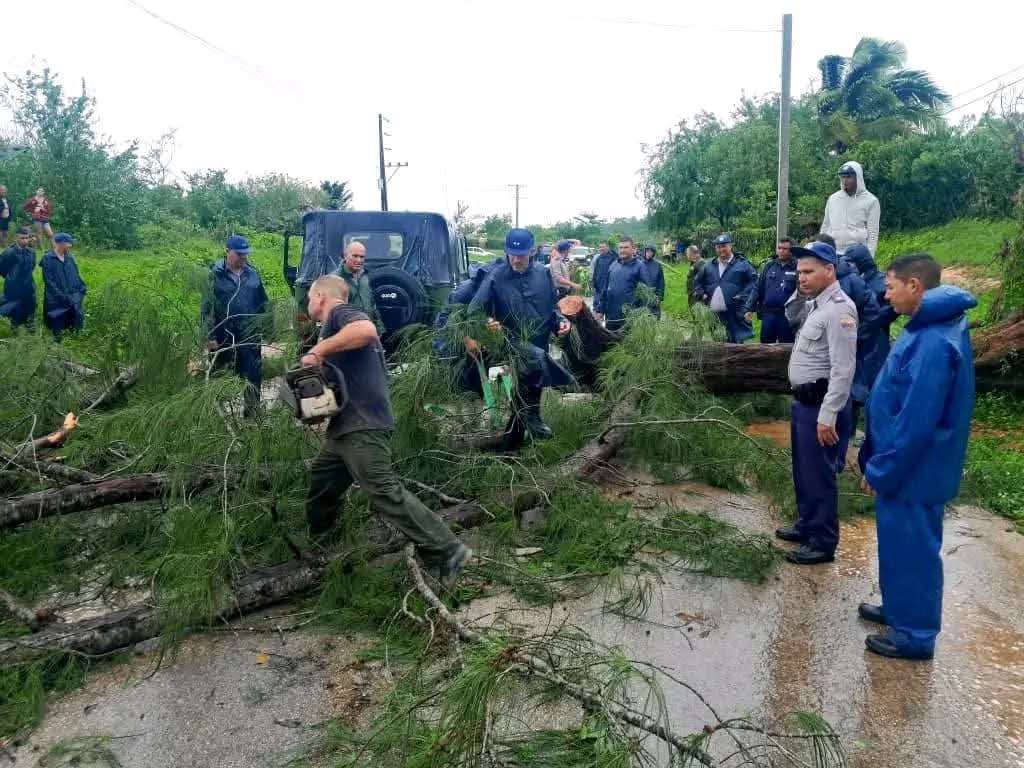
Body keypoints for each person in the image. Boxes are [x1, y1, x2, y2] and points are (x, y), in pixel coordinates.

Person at [301, 275, 471, 583]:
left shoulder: (342, 314)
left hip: (363, 425)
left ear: (322, 297)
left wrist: (319, 351)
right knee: (322, 484)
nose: (308, 303)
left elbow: (366, 330)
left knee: (383, 492)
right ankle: (321, 545)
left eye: (310, 297)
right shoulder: (333, 328)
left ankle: (448, 549)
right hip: (343, 427)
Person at [858, 254, 976, 660]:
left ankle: (915, 634)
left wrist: (881, 467)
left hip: (915, 468)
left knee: (915, 550)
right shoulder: (926, 326)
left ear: (915, 287)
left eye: (890, 286)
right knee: (897, 544)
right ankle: (898, 609)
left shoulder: (935, 342)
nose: (885, 293)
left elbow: (916, 422)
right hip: (908, 467)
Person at [776, 240, 857, 566]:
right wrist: (804, 291)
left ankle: (822, 542)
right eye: (799, 272)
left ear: (830, 270)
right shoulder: (816, 304)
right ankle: (808, 524)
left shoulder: (839, 309)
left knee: (819, 475)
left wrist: (829, 415)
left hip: (821, 406)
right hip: (804, 404)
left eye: (809, 271)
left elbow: (843, 368)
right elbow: (789, 313)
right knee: (803, 471)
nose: (802, 277)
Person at [465, 228, 573, 446]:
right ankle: (546, 404)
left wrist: (561, 321)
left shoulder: (543, 274)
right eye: (511, 254)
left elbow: (552, 308)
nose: (515, 260)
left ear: (532, 252)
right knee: (535, 360)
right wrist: (486, 323)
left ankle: (511, 443)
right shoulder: (496, 277)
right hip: (509, 339)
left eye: (521, 255)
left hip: (539, 339)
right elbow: (474, 311)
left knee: (530, 383)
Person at [201, 235, 269, 416]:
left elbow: (264, 303)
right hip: (224, 337)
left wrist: (269, 327)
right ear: (227, 252)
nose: (243, 257)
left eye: (245, 254)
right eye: (239, 254)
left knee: (252, 376)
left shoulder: (253, 274)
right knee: (221, 377)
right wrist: (210, 336)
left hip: (250, 336)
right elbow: (207, 309)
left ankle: (252, 417)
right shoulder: (215, 275)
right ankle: (218, 417)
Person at [844, 244, 894, 432]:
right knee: (852, 385)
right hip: (855, 339)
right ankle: (850, 431)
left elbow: (889, 312)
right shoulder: (855, 280)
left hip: (876, 341)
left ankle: (873, 431)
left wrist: (864, 327)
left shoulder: (882, 283)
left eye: (852, 262)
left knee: (875, 386)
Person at [695, 234, 757, 343]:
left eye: (724, 246)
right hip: (715, 315)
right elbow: (697, 282)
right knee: (718, 343)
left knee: (736, 344)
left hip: (735, 312)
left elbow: (754, 282)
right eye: (718, 247)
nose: (721, 250)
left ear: (730, 246)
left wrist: (743, 295)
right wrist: (702, 294)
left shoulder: (743, 264)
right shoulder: (708, 265)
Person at [820, 162, 880, 257]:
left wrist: (870, 256)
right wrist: (821, 249)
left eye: (849, 177)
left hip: (857, 254)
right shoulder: (833, 198)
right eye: (843, 177)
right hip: (833, 252)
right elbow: (826, 225)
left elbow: (873, 233)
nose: (845, 180)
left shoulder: (871, 201)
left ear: (858, 177)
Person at [745, 238, 797, 343]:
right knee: (765, 346)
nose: (781, 251)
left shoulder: (797, 267)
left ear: (792, 250)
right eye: (779, 248)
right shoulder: (769, 266)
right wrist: (749, 308)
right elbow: (757, 287)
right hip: (768, 314)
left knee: (786, 347)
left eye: (785, 249)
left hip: (786, 315)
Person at [41, 233, 87, 341]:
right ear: (61, 243)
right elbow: (49, 281)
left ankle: (75, 340)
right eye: (69, 243)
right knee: (57, 322)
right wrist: (61, 296)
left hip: (71, 294)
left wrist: (82, 286)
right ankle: (56, 344)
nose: (71, 246)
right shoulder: (48, 258)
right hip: (55, 298)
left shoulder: (69, 258)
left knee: (76, 317)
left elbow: (76, 274)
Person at [332, 241, 383, 333]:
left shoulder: (365, 276)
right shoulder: (335, 279)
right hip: (346, 335)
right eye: (355, 256)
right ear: (345, 256)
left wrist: (379, 330)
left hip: (366, 333)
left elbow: (372, 305)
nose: (359, 260)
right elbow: (332, 313)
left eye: (362, 257)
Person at [600, 237, 648, 332]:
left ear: (634, 249)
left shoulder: (640, 267)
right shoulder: (613, 265)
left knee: (627, 345)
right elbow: (605, 289)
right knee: (611, 344)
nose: (622, 250)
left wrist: (641, 314)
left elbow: (646, 294)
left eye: (626, 247)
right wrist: (600, 309)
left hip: (629, 318)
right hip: (611, 317)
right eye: (620, 247)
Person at [0, 227, 37, 331]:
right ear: (16, 238)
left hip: (29, 284)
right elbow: (2, 268)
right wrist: (11, 278)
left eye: (27, 237)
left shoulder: (31, 252)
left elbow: (32, 266)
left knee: (30, 305)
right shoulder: (9, 252)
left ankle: (29, 325)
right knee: (15, 306)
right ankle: (15, 327)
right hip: (14, 286)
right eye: (22, 238)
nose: (25, 240)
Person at [590, 242, 616, 321]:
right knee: (597, 308)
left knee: (607, 307)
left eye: (603, 247)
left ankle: (608, 326)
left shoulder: (613, 258)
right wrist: (593, 282)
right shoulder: (598, 258)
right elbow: (595, 271)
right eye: (600, 247)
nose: (601, 249)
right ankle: (597, 327)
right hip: (598, 288)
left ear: (608, 247)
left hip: (608, 288)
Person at [639, 244, 665, 319]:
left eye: (651, 252)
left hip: (654, 295)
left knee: (655, 317)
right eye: (647, 251)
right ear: (644, 252)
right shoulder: (639, 264)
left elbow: (661, 282)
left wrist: (660, 296)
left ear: (653, 253)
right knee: (643, 317)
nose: (648, 253)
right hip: (642, 296)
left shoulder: (657, 265)